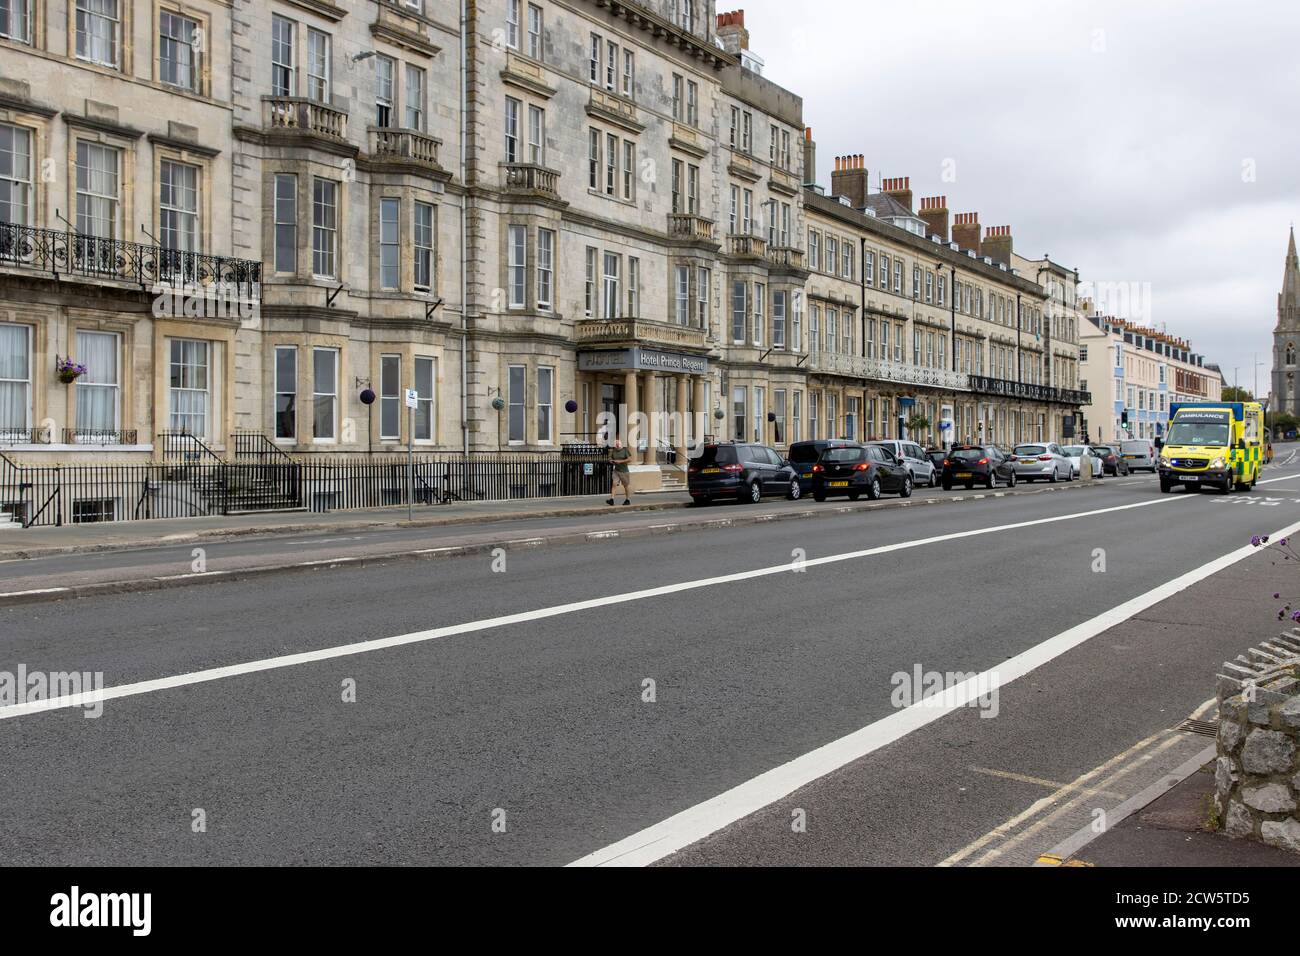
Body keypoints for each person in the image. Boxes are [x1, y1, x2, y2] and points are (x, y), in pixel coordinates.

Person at [607, 438, 632, 505]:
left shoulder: (625, 450)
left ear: (621, 444)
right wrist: (611, 461)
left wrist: (620, 461)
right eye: (616, 444)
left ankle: (627, 499)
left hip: (624, 471)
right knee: (614, 484)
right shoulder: (613, 451)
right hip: (616, 470)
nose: (617, 446)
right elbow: (609, 458)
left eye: (618, 444)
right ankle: (612, 499)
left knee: (626, 486)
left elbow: (630, 459)